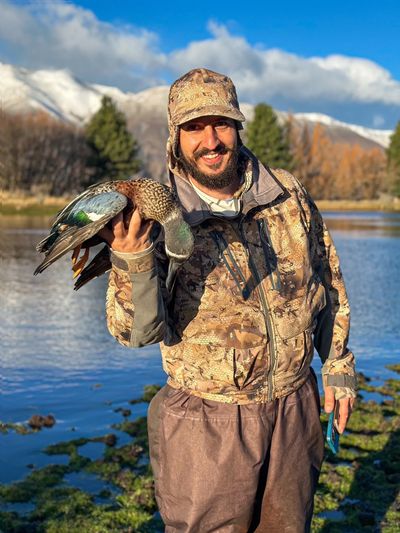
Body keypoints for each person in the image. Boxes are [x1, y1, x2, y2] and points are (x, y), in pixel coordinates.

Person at [103, 68, 356, 533]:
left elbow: (328, 281)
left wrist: (337, 366)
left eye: (221, 123)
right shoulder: (156, 216)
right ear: (175, 137)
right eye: (194, 127)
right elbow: (134, 332)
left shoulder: (287, 195)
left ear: (238, 126)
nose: (211, 140)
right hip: (207, 424)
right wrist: (132, 259)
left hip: (296, 410)